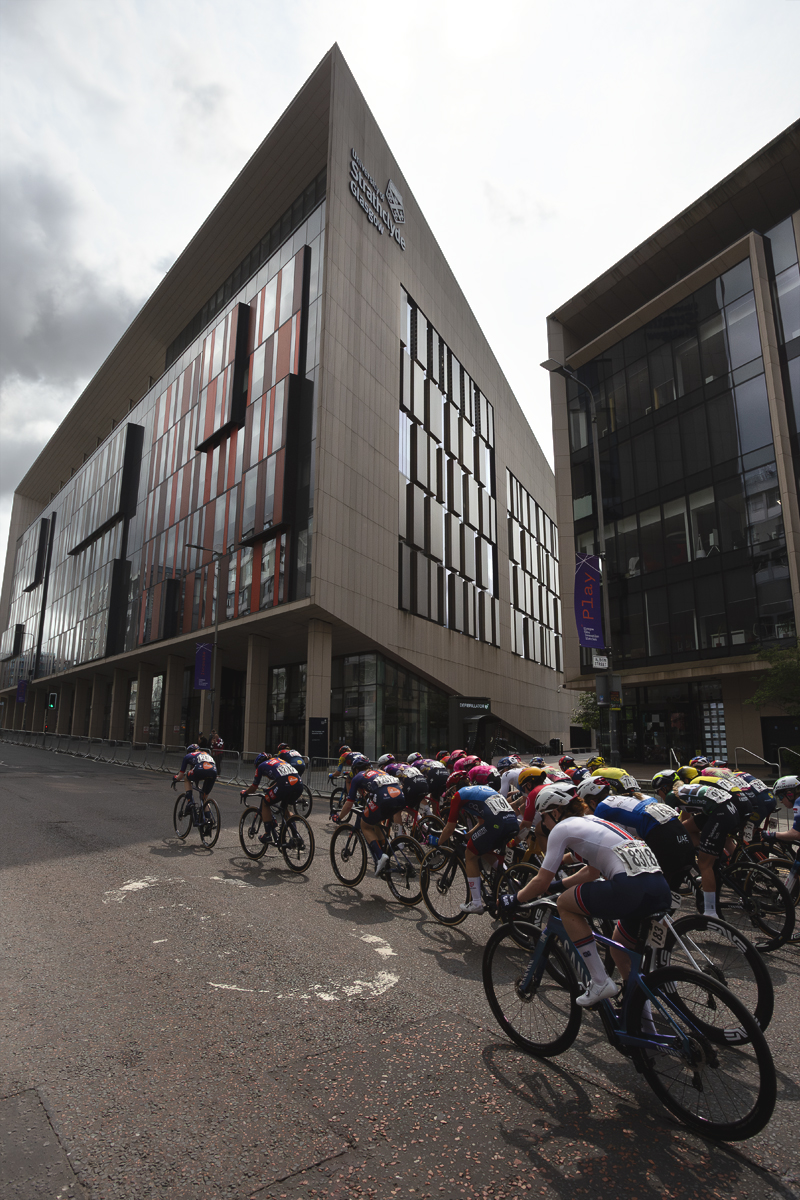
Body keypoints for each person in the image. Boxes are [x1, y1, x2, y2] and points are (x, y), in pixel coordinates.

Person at [498, 783, 671, 1007]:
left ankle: (599, 981)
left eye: (544, 817)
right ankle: (637, 1012)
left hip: (629, 888)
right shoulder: (595, 821)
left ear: (556, 811)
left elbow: (541, 880)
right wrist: (559, 884)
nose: (544, 824)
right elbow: (591, 872)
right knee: (618, 950)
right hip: (659, 886)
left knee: (565, 904)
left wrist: (515, 899)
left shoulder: (562, 827)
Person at [577, 777, 695, 889]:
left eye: (585, 807)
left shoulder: (601, 810)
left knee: (647, 885)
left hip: (661, 836)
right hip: (677, 829)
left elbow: (602, 846)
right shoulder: (632, 797)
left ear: (592, 803)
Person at [437, 774, 519, 915]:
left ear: (455, 788)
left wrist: (438, 844)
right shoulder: (480, 790)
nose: (450, 796)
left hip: (496, 824)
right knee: (483, 849)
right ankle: (510, 880)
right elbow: (481, 822)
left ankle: (476, 903)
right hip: (512, 822)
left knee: (470, 854)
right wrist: (469, 835)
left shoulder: (459, 795)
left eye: (450, 792)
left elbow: (450, 828)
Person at [671, 779, 742, 916]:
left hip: (721, 814)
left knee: (704, 864)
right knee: (687, 828)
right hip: (730, 809)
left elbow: (677, 821)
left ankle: (710, 911)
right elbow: (684, 825)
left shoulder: (672, 796)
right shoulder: (689, 789)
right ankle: (709, 850)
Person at [350, 767, 408, 875]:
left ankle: (380, 856)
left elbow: (349, 802)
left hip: (383, 798)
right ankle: (385, 854)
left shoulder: (357, 777)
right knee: (376, 822)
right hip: (399, 795)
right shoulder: (379, 772)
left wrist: (338, 817)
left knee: (365, 826)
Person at [240, 753, 304, 845]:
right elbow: (282, 777)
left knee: (265, 802)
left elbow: (254, 787)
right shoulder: (279, 761)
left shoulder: (261, 766)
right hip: (299, 784)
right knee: (285, 809)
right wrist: (270, 789)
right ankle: (296, 836)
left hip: (285, 784)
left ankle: (267, 835)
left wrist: (245, 792)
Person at [173, 743, 217, 828]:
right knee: (204, 798)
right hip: (213, 771)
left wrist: (175, 778)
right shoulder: (205, 753)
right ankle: (209, 821)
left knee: (186, 778)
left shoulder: (188, 756)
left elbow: (180, 776)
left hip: (200, 769)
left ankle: (190, 802)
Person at [759, 776, 800, 858]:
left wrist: (772, 834)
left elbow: (796, 834)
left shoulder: (798, 803)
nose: (780, 801)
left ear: (790, 794)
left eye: (781, 796)